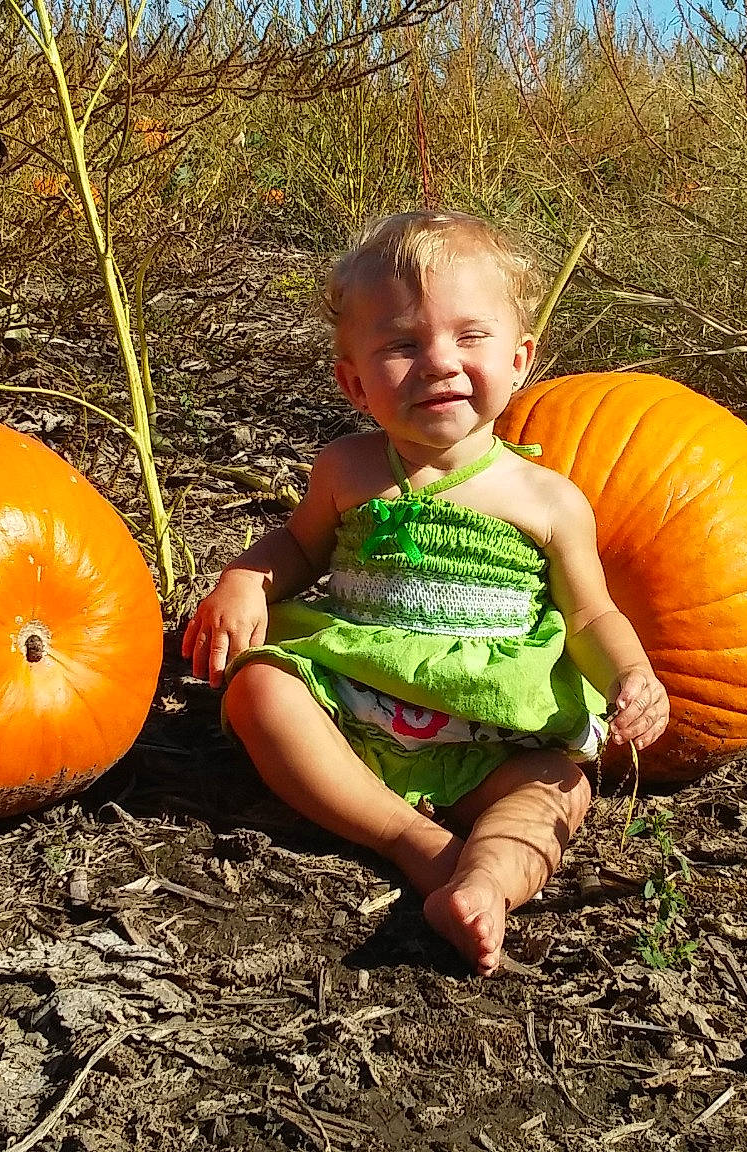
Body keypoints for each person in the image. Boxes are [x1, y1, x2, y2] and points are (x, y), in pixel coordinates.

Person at [182, 211, 668, 976]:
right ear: (354, 382)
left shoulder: (548, 500)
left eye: (470, 336)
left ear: (519, 359)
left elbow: (589, 613)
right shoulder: (347, 469)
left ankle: (486, 884)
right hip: (354, 702)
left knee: (560, 787)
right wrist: (245, 578)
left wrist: (630, 676)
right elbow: (299, 549)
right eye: (403, 345)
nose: (439, 362)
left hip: (492, 728)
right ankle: (415, 843)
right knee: (259, 693)